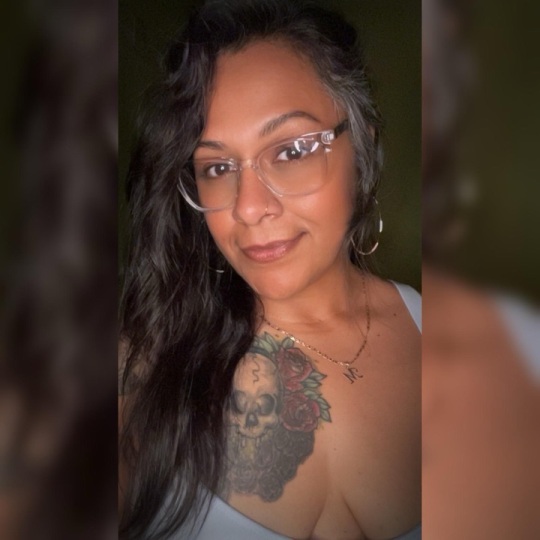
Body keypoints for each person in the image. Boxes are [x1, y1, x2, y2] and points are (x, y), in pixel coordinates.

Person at [119, 1, 421, 539]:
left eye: (291, 151)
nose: (248, 207)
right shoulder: (143, 365)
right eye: (217, 166)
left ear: (362, 149)